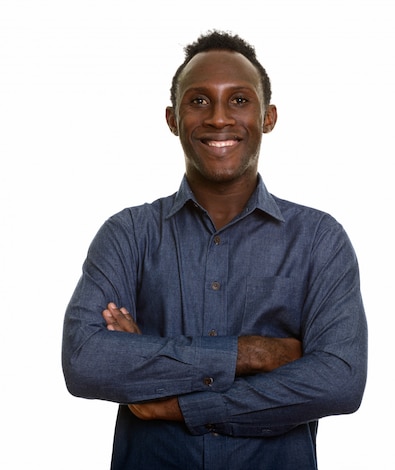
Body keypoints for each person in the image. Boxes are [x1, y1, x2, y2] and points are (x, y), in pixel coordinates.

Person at [62, 30, 368, 469]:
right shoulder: (128, 234)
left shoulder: (319, 239)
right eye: (199, 101)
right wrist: (255, 354)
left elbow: (340, 380)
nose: (219, 118)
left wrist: (172, 398)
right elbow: (85, 361)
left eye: (240, 100)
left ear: (269, 117)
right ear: (172, 118)